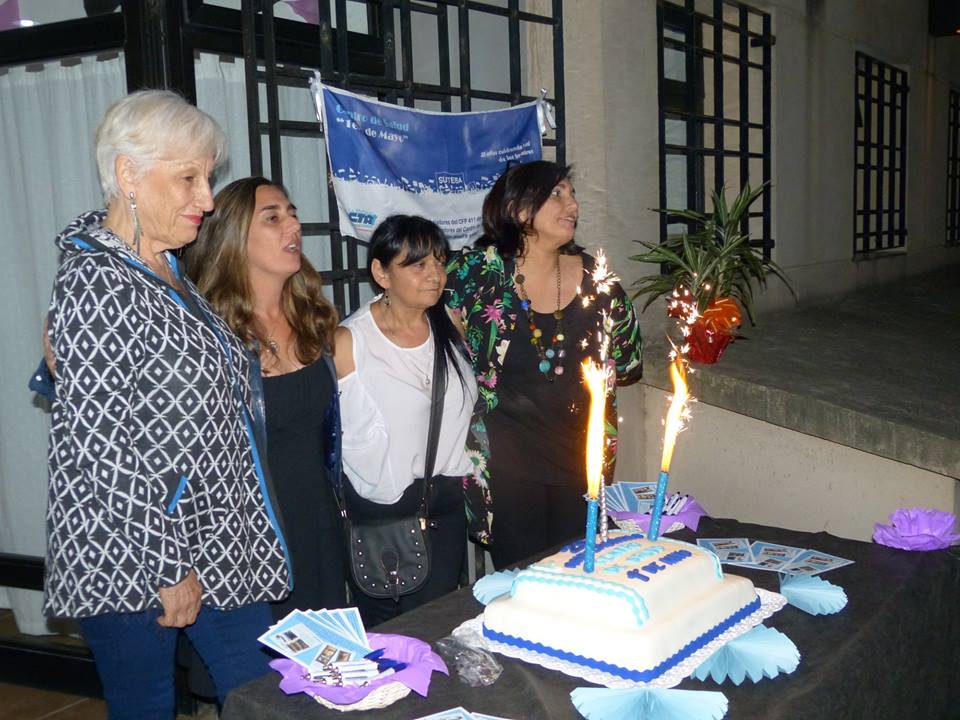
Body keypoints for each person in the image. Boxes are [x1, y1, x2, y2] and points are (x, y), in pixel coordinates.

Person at [42, 90, 290, 719]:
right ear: (128, 173)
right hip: (135, 550)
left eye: (207, 178)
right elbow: (100, 445)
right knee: (146, 707)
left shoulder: (166, 268)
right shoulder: (95, 279)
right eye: (188, 178)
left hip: (212, 538)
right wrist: (166, 565)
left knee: (262, 695)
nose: (207, 198)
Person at [446, 160, 643, 569]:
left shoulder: (599, 282)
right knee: (522, 589)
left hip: (581, 469)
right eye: (557, 194)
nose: (572, 204)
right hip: (507, 475)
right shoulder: (475, 274)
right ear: (518, 210)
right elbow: (436, 337)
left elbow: (628, 362)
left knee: (580, 582)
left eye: (572, 193)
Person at [182, 177, 347, 619]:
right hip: (248, 537)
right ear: (233, 237)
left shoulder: (312, 317)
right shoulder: (209, 333)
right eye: (272, 218)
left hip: (318, 524)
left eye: (292, 214)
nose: (293, 226)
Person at [334, 215, 478, 626]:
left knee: (437, 629)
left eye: (439, 261)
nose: (435, 274)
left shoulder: (449, 324)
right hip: (382, 515)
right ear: (381, 273)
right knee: (394, 638)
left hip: (444, 506)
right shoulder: (350, 342)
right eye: (418, 265)